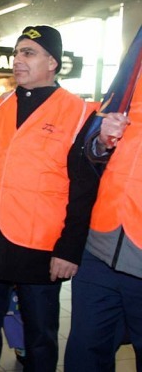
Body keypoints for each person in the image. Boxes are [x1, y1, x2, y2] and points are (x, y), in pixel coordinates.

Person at [0, 25, 101, 371]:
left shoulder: (79, 113)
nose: (17, 60)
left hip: (40, 245)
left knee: (40, 336)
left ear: (53, 62)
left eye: (28, 53)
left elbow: (83, 190)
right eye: (16, 53)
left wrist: (69, 248)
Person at [65, 35, 142, 371]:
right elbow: (88, 156)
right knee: (85, 355)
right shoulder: (127, 83)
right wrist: (101, 140)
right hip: (99, 250)